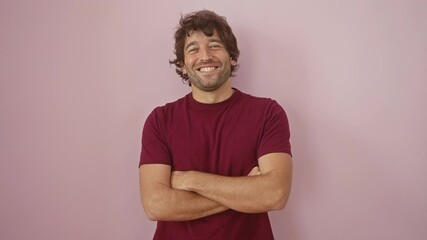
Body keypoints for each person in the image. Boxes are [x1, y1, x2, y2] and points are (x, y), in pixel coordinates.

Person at [139, 10, 293, 240]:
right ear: (182, 65)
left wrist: (189, 180)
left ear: (232, 58)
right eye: (193, 49)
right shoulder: (160, 120)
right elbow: (155, 205)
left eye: (214, 45)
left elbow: (275, 194)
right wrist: (246, 191)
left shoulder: (268, 113)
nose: (205, 56)